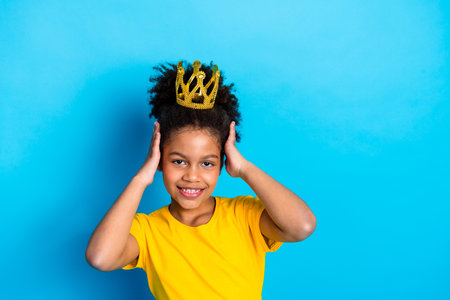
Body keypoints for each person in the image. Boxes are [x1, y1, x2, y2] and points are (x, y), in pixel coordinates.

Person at [85, 60, 317, 299]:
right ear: (160, 161)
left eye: (207, 163)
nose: (192, 176)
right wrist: (142, 177)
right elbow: (100, 258)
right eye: (178, 161)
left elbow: (302, 226)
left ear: (222, 165)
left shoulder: (244, 215)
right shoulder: (148, 231)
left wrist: (244, 168)